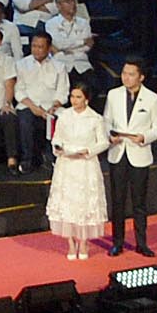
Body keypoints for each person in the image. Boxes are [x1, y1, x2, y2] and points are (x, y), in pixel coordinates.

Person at [99, 58, 157, 255]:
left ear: (141, 77)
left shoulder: (152, 98)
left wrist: (144, 136)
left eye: (131, 74)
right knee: (118, 200)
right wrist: (109, 136)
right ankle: (117, 243)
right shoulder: (113, 95)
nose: (126, 77)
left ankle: (141, 243)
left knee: (139, 202)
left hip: (139, 153)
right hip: (118, 152)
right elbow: (106, 121)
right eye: (124, 73)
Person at [45, 79, 110, 261]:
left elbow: (103, 142)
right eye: (72, 96)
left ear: (87, 99)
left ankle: (83, 242)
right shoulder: (64, 115)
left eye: (78, 97)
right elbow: (56, 137)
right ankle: (71, 244)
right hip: (66, 164)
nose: (74, 100)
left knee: (83, 204)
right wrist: (58, 147)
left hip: (85, 165)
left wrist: (88, 151)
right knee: (67, 203)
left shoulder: (95, 118)